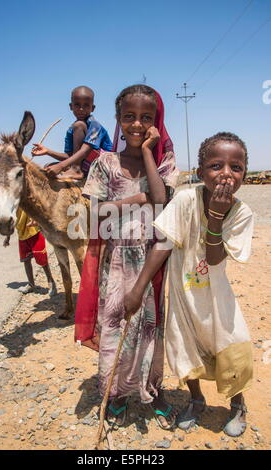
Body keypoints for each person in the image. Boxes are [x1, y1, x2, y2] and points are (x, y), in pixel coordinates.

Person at [124, 132, 253, 437]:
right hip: (184, 295)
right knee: (184, 347)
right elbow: (163, 245)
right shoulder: (184, 200)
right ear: (200, 171)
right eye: (216, 166)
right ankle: (196, 400)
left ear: (245, 173)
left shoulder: (242, 213)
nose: (225, 174)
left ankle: (238, 404)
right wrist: (138, 287)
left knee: (230, 348)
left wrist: (217, 218)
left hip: (216, 299)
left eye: (236, 168)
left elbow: (215, 257)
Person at [75, 85, 179, 429]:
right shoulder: (105, 163)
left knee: (152, 329)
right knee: (116, 328)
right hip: (116, 261)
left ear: (156, 122)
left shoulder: (164, 161)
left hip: (154, 260)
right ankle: (116, 393)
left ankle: (152, 389)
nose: (137, 124)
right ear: (118, 120)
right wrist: (134, 201)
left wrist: (149, 151)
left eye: (146, 118)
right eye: (129, 117)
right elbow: (94, 216)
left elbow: (161, 200)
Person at [31, 86, 113, 179]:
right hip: (88, 166)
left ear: (92, 108)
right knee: (48, 167)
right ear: (71, 106)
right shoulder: (72, 130)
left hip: (105, 165)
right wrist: (48, 152)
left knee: (79, 125)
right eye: (77, 105)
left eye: (86, 105)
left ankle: (76, 170)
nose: (81, 109)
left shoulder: (94, 126)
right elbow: (70, 157)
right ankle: (75, 169)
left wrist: (61, 166)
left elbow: (85, 151)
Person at [15, 208, 57, 296]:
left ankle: (51, 282)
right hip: (21, 232)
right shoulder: (10, 199)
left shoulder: (25, 194)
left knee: (42, 260)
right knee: (26, 261)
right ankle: (31, 284)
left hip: (34, 230)